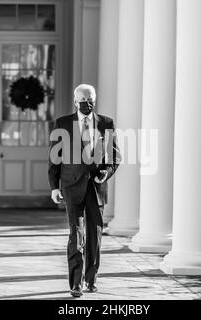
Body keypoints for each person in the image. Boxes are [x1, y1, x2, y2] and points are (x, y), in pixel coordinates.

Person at [48, 84, 121, 298]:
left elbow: (115, 156)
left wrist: (106, 173)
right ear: (74, 100)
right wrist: (53, 187)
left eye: (90, 99)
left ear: (95, 99)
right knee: (76, 234)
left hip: (96, 188)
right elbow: (54, 158)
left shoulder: (106, 123)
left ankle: (91, 280)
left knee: (94, 236)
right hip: (71, 187)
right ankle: (75, 284)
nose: (86, 103)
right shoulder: (62, 123)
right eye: (82, 100)